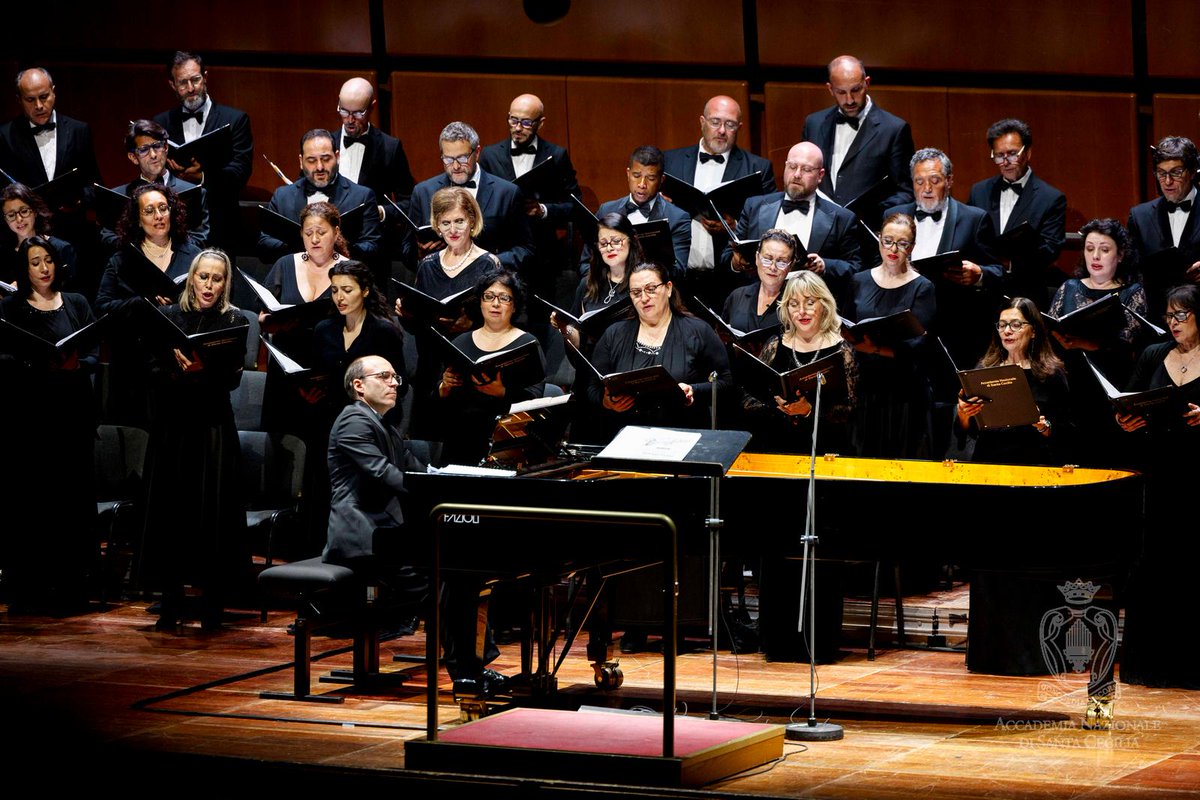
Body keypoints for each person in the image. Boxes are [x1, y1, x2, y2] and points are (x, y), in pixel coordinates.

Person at [140, 249, 249, 630]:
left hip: (212, 427)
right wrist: (175, 369)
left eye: (217, 279)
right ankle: (170, 601)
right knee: (171, 510)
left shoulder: (233, 319)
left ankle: (212, 604)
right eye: (203, 277)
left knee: (211, 513)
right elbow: (151, 368)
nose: (209, 285)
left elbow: (233, 378)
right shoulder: (168, 316)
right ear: (191, 278)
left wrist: (203, 370)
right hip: (173, 425)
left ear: (225, 283)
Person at [0, 237, 98, 612]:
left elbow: (91, 350)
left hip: (71, 415)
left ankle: (72, 587)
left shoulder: (75, 303)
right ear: (24, 270)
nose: (43, 268)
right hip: (29, 418)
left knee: (70, 501)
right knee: (31, 502)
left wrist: (77, 365)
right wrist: (37, 365)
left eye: (48, 261)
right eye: (35, 262)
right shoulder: (10, 307)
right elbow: (4, 355)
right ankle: (29, 589)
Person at [586, 261, 732, 436]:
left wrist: (694, 391)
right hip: (628, 438)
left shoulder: (699, 331)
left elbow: (726, 383)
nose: (644, 298)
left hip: (684, 436)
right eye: (636, 292)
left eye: (651, 289)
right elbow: (592, 388)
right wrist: (606, 402)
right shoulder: (614, 334)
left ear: (668, 288)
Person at [95, 183, 200, 425]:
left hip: (178, 367)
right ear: (137, 218)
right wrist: (141, 303)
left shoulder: (193, 255)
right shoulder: (121, 259)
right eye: (149, 210)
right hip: (134, 367)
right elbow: (101, 308)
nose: (159, 216)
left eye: (163, 208)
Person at [1049, 219, 1146, 466]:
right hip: (1071, 385)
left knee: (1109, 461)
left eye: (1104, 249)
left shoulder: (1132, 292)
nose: (1096, 255)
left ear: (1120, 254)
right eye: (1090, 248)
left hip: (1111, 388)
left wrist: (1086, 343)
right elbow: (1050, 330)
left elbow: (1129, 345)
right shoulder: (1068, 288)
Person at [663, 95, 776, 305]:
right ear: (702, 122)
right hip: (679, 280)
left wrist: (734, 227)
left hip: (730, 281)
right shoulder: (670, 161)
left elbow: (769, 227)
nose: (722, 130)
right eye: (715, 122)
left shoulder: (758, 168)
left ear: (739, 127)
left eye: (730, 124)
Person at [0, 68, 103, 295]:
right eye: (30, 99)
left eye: (44, 97)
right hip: (27, 241)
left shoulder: (79, 130)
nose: (39, 105)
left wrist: (78, 199)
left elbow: (95, 185)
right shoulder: (5, 136)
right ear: (19, 100)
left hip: (74, 236)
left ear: (54, 92)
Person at [845, 212, 936, 458]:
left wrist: (875, 349)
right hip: (865, 386)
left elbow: (920, 345)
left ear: (912, 247)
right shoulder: (859, 280)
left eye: (902, 243)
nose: (893, 248)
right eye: (888, 240)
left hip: (905, 390)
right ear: (879, 240)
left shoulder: (923, 287)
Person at [738, 270, 858, 455]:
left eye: (810, 303)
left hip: (825, 448)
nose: (801, 311)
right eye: (794, 304)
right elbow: (748, 399)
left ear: (824, 305)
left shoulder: (843, 351)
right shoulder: (775, 344)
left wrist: (808, 410)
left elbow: (852, 410)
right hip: (777, 445)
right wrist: (776, 405)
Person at [434, 268, 546, 466]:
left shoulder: (527, 344)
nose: (495, 304)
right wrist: (444, 387)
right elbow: (438, 404)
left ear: (514, 305)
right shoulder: (460, 342)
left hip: (506, 440)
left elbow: (535, 401)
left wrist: (502, 392)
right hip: (460, 437)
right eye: (489, 296)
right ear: (480, 302)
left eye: (504, 298)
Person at [479, 93, 581, 305]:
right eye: (513, 120)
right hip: (503, 252)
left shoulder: (557, 155)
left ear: (540, 123)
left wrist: (543, 210)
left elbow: (575, 206)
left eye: (526, 122)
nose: (517, 127)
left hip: (543, 256)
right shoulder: (490, 155)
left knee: (543, 321)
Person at [725, 142, 862, 299]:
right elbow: (728, 256)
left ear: (820, 175)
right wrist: (737, 262)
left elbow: (855, 268)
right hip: (758, 302)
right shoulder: (754, 206)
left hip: (810, 305)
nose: (797, 174)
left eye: (806, 169)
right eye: (792, 166)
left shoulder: (842, 218)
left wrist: (824, 266)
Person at [551, 212, 640, 442]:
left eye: (617, 240)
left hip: (626, 379)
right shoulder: (588, 284)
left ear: (631, 240)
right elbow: (578, 351)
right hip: (590, 380)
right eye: (603, 242)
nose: (610, 247)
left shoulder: (642, 283)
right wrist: (565, 329)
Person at [155, 51, 254, 255]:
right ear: (172, 85)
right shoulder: (161, 123)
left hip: (222, 226)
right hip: (175, 228)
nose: (191, 88)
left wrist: (202, 176)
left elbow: (241, 171)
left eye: (196, 80)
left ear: (206, 77)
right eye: (183, 83)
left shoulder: (235, 119)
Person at [801, 56, 915, 230]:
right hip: (819, 229)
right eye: (841, 92)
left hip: (864, 233)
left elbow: (906, 191)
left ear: (867, 83)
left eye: (855, 90)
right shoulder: (814, 124)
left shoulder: (894, 129)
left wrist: (871, 212)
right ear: (830, 89)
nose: (849, 100)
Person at [404, 121, 533, 274]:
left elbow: (526, 250)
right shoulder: (423, 192)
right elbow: (407, 250)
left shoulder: (507, 192)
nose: (456, 166)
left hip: (490, 285)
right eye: (448, 159)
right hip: (439, 284)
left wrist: (486, 262)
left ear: (477, 152)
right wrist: (420, 255)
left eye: (463, 158)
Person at [956, 298, 1070, 465]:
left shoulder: (1051, 373)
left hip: (1033, 462)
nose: (1007, 331)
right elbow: (967, 431)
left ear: (1033, 331)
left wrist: (1043, 426)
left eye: (1016, 325)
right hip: (988, 460)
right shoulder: (984, 368)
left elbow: (1067, 430)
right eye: (1002, 325)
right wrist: (963, 414)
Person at [967, 119, 1067, 308]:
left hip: (1025, 296)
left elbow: (1051, 250)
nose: (1005, 162)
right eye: (999, 155)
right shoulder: (978, 191)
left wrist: (1011, 264)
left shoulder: (1051, 198)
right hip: (982, 295)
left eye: (1012, 154)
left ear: (1028, 152)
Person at [257, 129, 382, 270]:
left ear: (337, 157)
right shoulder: (282, 196)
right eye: (311, 160)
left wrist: (333, 247)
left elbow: (373, 248)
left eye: (326, 159)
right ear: (301, 161)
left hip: (342, 281)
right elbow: (264, 246)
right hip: (296, 279)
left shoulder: (362, 196)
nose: (319, 167)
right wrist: (302, 247)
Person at [100, 119, 209, 250]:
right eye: (144, 150)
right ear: (133, 157)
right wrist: (144, 249)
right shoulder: (117, 195)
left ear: (166, 148)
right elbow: (107, 238)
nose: (153, 155)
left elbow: (199, 239)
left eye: (157, 146)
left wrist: (164, 250)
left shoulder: (194, 193)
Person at [585, 145, 691, 280]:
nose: (642, 184)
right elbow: (586, 264)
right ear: (628, 174)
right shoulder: (606, 211)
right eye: (636, 175)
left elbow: (677, 272)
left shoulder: (678, 218)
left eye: (651, 178)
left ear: (661, 180)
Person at [1126, 136, 1200, 317]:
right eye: (1161, 173)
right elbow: (1132, 271)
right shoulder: (1139, 216)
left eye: (1176, 172)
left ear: (1192, 172)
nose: (1167, 182)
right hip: (1158, 316)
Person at [334, 77, 415, 212]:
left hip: (371, 231)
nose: (349, 120)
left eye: (358, 113)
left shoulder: (390, 147)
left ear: (372, 107)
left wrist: (382, 212)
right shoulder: (324, 143)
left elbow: (409, 202)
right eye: (344, 111)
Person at [721, 228, 795, 340]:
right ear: (757, 258)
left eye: (781, 262)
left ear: (790, 265)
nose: (772, 267)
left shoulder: (798, 303)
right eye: (767, 259)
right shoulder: (737, 296)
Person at [1, 182, 78, 288]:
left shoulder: (61, 249)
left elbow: (73, 296)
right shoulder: (3, 256)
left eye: (24, 211)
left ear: (35, 211)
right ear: (5, 219)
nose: (19, 219)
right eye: (11, 215)